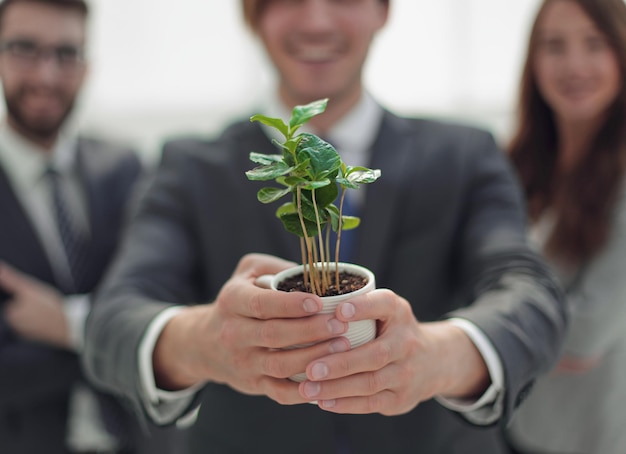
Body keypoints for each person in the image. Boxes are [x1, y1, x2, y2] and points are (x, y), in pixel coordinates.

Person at [82, 1, 567, 453]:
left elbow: (531, 293)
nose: (316, 21)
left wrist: (440, 356)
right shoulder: (187, 166)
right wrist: (202, 342)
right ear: (254, 15)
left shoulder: (465, 155)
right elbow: (111, 322)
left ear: (382, 10)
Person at [0, 1, 186, 453]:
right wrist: (131, 346)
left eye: (67, 54)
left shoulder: (124, 169)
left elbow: (167, 297)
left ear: (87, 67)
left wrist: (68, 325)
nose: (47, 75)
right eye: (25, 49)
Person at [503, 0, 626, 453]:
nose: (574, 65)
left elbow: (583, 337)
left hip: (590, 436)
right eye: (554, 46)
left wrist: (474, 334)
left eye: (595, 44)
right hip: (522, 423)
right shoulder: (518, 163)